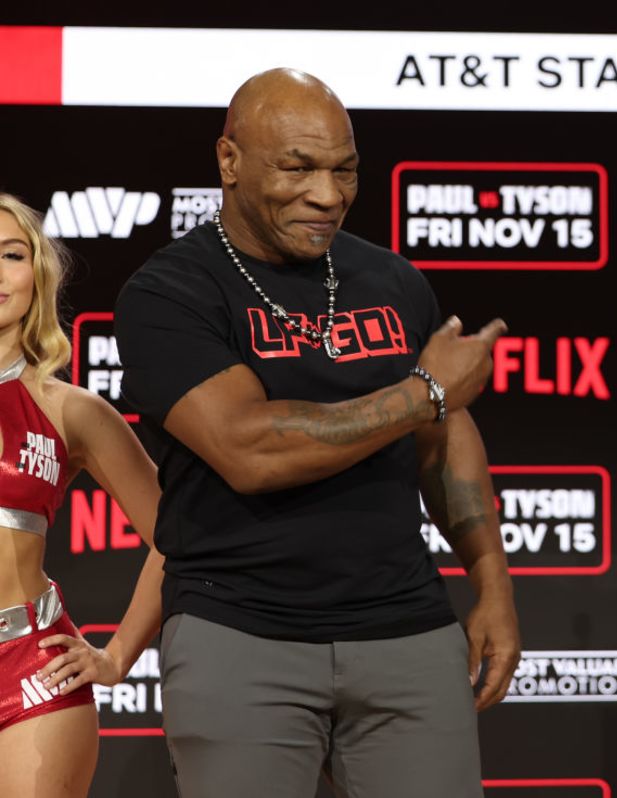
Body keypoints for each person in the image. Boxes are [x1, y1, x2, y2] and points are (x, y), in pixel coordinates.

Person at [112, 68, 519, 798]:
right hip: (241, 634)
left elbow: (444, 440)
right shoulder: (170, 293)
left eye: (345, 170)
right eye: (297, 168)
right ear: (229, 161)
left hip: (407, 629)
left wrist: (492, 583)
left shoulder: (393, 281)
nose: (327, 195)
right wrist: (423, 391)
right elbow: (251, 449)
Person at [0, 193, 164, 797]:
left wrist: (117, 656)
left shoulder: (72, 410)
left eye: (12, 255)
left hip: (29, 672)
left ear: (37, 275)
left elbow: (181, 534)